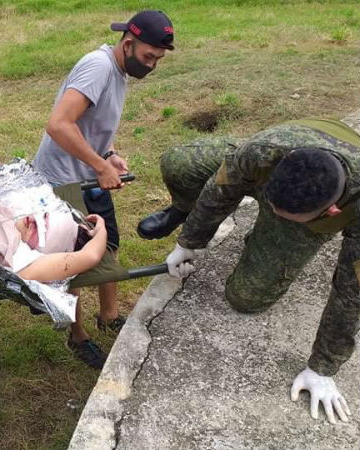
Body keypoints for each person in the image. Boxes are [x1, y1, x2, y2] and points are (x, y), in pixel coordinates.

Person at [138, 112, 360, 424]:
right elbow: (221, 188)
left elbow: (351, 295)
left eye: (279, 212)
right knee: (178, 163)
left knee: (246, 297)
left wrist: (323, 367)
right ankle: (182, 209)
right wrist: (189, 242)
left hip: (311, 218)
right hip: (274, 171)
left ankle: (271, 238)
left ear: (331, 212)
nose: (271, 211)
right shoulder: (265, 151)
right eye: (271, 207)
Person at [32, 10, 174, 367]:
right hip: (64, 180)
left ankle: (109, 317)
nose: (152, 66)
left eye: (157, 60)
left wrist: (108, 154)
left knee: (107, 243)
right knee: (78, 263)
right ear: (128, 43)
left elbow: (90, 126)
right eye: (148, 57)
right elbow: (59, 124)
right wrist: (99, 165)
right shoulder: (98, 68)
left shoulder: (121, 70)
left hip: (90, 175)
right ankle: (77, 336)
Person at [0, 205, 107, 282]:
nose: (34, 219)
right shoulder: (11, 210)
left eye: (39, 231)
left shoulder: (20, 258)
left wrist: (102, 230)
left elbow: (91, 256)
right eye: (44, 216)